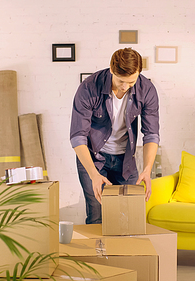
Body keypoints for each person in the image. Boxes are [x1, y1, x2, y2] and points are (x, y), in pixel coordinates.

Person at [70, 48, 160, 224]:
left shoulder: (147, 90)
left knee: (128, 217)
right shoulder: (89, 88)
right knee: (97, 215)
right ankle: (98, 252)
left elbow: (151, 134)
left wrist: (148, 169)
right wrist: (94, 174)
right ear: (111, 69)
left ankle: (124, 251)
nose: (125, 87)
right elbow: (78, 136)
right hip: (92, 158)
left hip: (125, 160)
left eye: (131, 82)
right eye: (121, 81)